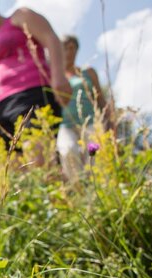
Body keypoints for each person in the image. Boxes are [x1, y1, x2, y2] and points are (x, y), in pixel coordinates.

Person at [0, 0, 71, 153]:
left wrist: (58, 75)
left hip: (28, 95)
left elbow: (51, 39)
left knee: (37, 156)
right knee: (11, 169)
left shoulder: (19, 17)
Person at [57, 35, 109, 182]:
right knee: (68, 151)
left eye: (71, 48)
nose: (68, 52)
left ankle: (95, 188)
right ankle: (78, 190)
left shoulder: (88, 73)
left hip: (91, 122)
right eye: (64, 48)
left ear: (77, 50)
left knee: (94, 159)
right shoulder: (56, 78)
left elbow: (101, 100)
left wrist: (108, 124)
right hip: (65, 125)